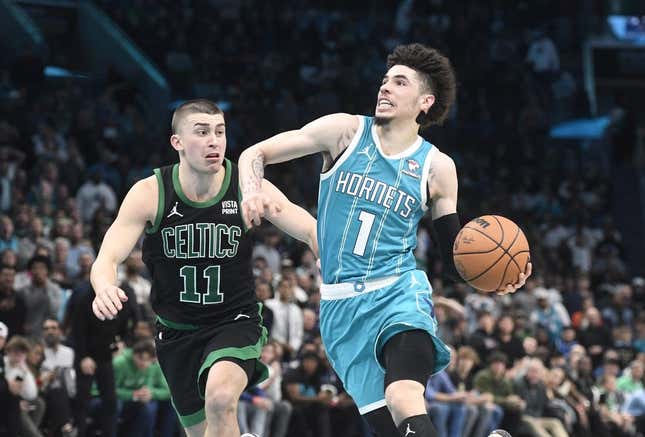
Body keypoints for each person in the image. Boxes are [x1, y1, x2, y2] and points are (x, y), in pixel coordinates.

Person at [238, 43, 531, 437]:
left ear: (425, 101)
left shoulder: (437, 167)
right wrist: (252, 190)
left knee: (403, 397)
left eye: (399, 82)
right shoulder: (344, 131)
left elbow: (454, 254)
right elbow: (255, 153)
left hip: (398, 294)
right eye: (384, 80)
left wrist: (492, 282)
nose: (385, 88)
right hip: (340, 311)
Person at [90, 99, 317, 437]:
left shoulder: (246, 184)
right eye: (202, 132)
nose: (214, 140)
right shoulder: (150, 193)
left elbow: (310, 229)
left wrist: (338, 267)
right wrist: (104, 287)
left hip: (234, 321)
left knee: (221, 398)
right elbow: (106, 259)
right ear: (177, 142)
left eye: (220, 132)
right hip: (176, 332)